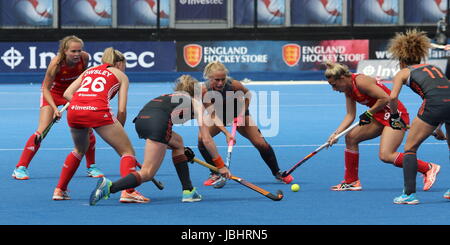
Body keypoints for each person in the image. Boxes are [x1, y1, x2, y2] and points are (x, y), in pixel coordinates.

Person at [89, 75, 232, 205]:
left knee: (178, 142)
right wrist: (220, 166)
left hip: (141, 122)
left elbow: (165, 132)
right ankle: (109, 187)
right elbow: (206, 140)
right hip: (158, 125)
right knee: (147, 173)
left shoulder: (169, 96)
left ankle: (188, 191)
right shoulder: (195, 102)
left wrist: (181, 152)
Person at [324, 61, 440, 191]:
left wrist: (369, 113)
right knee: (351, 138)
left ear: (342, 78)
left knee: (386, 155)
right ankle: (352, 181)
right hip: (378, 114)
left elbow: (386, 98)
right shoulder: (348, 89)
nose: (334, 89)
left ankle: (428, 168)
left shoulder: (361, 82)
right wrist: (336, 133)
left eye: (334, 85)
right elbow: (350, 115)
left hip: (395, 114)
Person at [52, 47, 149, 203]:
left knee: (79, 149)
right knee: (127, 151)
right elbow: (122, 109)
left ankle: (60, 190)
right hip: (98, 111)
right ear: (119, 63)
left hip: (75, 110)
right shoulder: (121, 75)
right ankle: (128, 191)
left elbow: (67, 94)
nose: (125, 68)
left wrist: (83, 105)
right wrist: (119, 130)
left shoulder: (89, 71)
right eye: (125, 64)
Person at [12, 35, 103, 180]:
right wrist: (55, 108)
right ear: (64, 51)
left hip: (71, 93)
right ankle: (20, 167)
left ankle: (91, 166)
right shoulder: (56, 64)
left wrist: (79, 94)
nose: (77, 54)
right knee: (41, 132)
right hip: (52, 94)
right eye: (73, 51)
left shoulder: (84, 57)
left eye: (79, 51)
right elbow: (46, 89)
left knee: (87, 129)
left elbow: (82, 77)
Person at [198, 61, 293, 187]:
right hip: (219, 116)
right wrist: (226, 133)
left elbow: (248, 94)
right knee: (202, 140)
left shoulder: (234, 85)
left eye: (223, 79)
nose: (220, 83)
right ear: (209, 78)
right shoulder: (204, 91)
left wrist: (242, 112)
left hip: (239, 114)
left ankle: (277, 172)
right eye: (217, 80)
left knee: (261, 143)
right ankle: (215, 172)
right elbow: (213, 115)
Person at [387, 29, 450, 204]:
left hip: (434, 106)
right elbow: (444, 91)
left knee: (410, 148)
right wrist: (438, 128)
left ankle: (409, 195)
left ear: (401, 60)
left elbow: (392, 97)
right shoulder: (434, 67)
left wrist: (394, 117)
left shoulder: (403, 72)